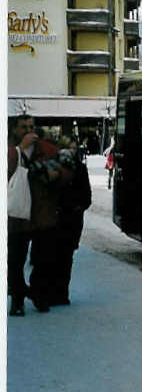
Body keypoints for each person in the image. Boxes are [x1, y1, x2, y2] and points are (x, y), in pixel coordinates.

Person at [7, 114, 72, 314]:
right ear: (14, 129)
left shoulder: (46, 148)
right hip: (17, 215)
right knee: (15, 261)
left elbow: (67, 169)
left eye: (31, 126)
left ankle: (38, 294)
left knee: (43, 260)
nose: (28, 131)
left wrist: (57, 175)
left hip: (42, 214)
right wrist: (19, 150)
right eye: (23, 127)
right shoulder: (9, 149)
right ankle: (18, 299)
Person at [51, 136, 92, 305]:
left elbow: (87, 196)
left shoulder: (80, 168)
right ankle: (52, 292)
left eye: (75, 148)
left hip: (72, 219)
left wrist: (78, 207)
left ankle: (62, 293)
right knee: (54, 256)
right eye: (69, 148)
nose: (72, 152)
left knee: (66, 257)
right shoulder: (53, 166)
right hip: (56, 218)